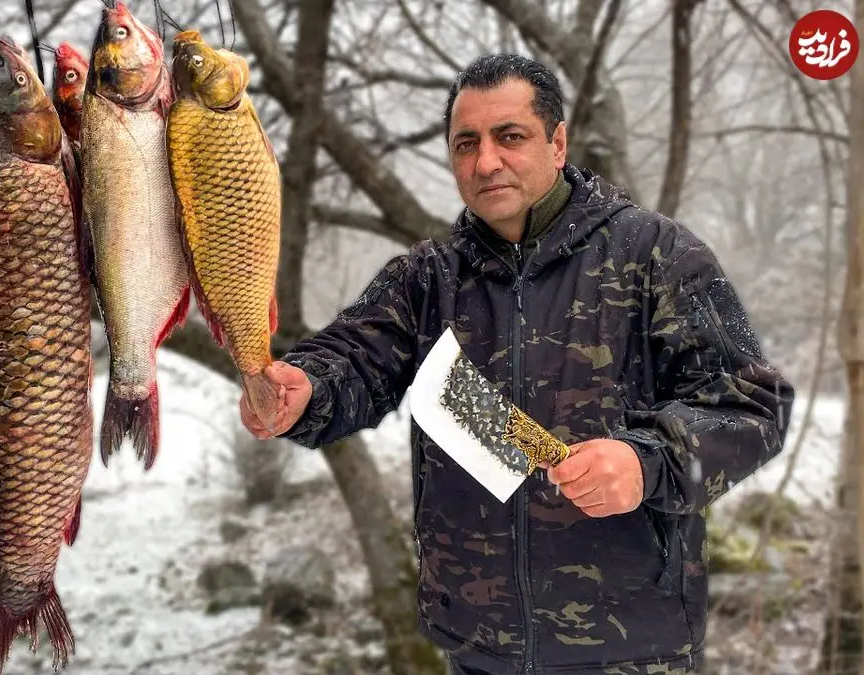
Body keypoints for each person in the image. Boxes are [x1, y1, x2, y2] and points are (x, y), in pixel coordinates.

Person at [240, 53, 794, 675]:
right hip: (478, 648)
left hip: (631, 647)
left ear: (557, 143)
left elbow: (753, 406)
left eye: (510, 137)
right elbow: (352, 361)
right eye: (466, 144)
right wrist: (302, 389)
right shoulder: (429, 278)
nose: (485, 162)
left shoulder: (657, 255)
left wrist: (647, 463)